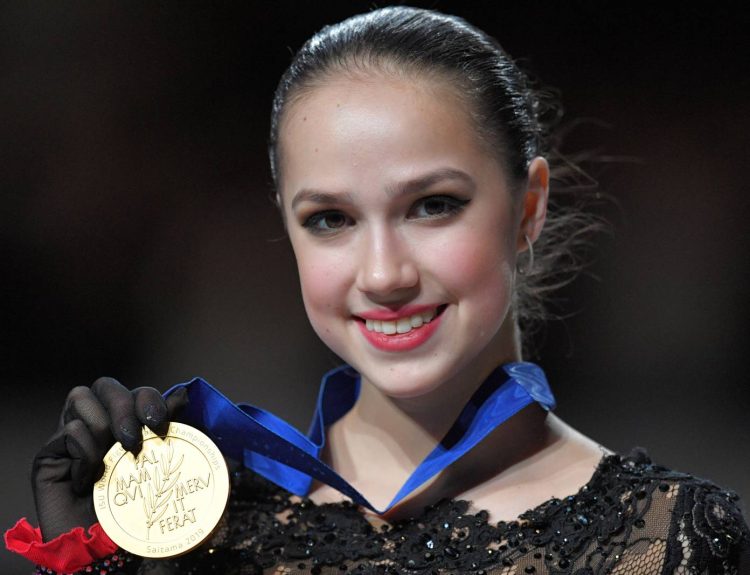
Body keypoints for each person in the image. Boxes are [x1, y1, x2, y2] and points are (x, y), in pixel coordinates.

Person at [5, 6, 749, 574]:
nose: (385, 274)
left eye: (433, 205)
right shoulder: (206, 534)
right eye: (330, 219)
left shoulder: (670, 539)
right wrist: (98, 560)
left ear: (528, 209)